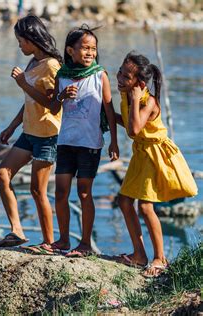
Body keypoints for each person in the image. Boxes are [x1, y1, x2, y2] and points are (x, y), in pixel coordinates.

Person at [114, 52, 198, 276]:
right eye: (120, 72)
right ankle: (139, 254)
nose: (119, 78)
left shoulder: (148, 101)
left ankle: (160, 258)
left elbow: (134, 129)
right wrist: (110, 117)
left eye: (126, 76)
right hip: (141, 153)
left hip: (155, 153)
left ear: (139, 84)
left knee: (145, 206)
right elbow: (132, 124)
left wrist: (133, 99)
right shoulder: (127, 96)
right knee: (124, 201)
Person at [42, 25, 119, 256]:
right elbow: (54, 107)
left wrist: (114, 142)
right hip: (66, 141)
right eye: (84, 48)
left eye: (93, 49)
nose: (89, 53)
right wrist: (61, 95)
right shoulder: (62, 75)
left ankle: (85, 243)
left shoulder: (99, 75)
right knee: (61, 192)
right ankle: (63, 240)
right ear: (70, 50)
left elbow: (109, 110)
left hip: (89, 144)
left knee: (84, 193)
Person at [0, 15, 63, 248]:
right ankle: (17, 230)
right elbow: (30, 101)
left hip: (48, 136)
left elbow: (54, 105)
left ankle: (49, 243)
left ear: (33, 40)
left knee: (37, 190)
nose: (19, 46)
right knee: (2, 174)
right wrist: (12, 126)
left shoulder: (53, 65)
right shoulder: (33, 62)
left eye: (21, 41)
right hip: (29, 131)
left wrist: (24, 83)